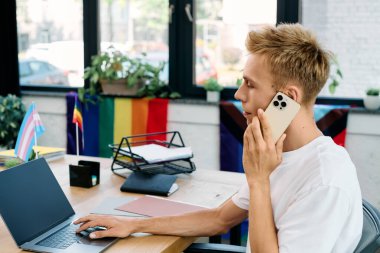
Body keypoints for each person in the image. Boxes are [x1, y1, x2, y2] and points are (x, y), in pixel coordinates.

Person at [74, 24, 363, 252]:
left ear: (286, 98)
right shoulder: (276, 153)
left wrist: (259, 179)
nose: (239, 95)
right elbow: (219, 219)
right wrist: (130, 225)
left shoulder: (324, 181)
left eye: (250, 84)